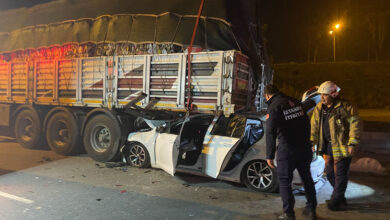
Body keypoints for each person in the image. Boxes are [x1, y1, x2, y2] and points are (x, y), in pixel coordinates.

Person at [264, 84, 317, 220]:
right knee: (307, 178)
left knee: (284, 181)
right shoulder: (295, 102)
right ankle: (311, 209)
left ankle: (289, 214)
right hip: (304, 148)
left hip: (288, 150)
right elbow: (306, 122)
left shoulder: (274, 106)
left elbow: (270, 133)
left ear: (268, 95)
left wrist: (269, 155)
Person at [310, 81, 361, 211]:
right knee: (329, 172)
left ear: (333, 95)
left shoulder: (345, 107)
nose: (322, 97)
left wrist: (352, 143)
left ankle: (335, 201)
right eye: (321, 95)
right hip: (326, 147)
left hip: (342, 147)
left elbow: (355, 125)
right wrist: (312, 142)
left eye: (325, 95)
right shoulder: (319, 108)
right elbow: (314, 126)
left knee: (340, 175)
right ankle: (340, 198)